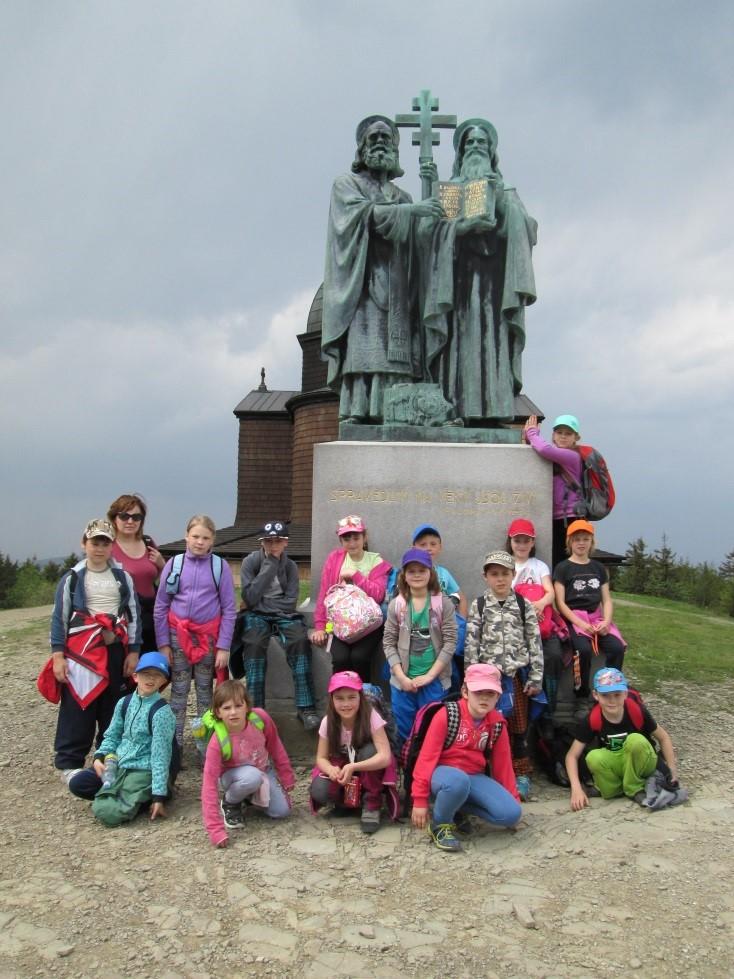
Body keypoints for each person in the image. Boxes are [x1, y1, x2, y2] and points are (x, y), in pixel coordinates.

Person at [321, 115, 443, 424]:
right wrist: (412, 211)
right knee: (367, 348)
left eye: (386, 139)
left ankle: (396, 412)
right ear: (360, 149)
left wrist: (432, 197)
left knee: (396, 357)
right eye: (372, 138)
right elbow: (361, 216)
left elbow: (422, 243)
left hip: (400, 288)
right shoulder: (346, 185)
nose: (379, 143)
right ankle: (359, 411)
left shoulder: (402, 196)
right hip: (364, 283)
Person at [419, 118, 537, 424]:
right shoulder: (450, 191)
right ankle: (453, 410)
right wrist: (461, 225)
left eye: (480, 143)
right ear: (460, 152)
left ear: (491, 151)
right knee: (457, 345)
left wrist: (500, 203)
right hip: (455, 283)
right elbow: (429, 237)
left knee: (491, 344)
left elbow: (527, 228)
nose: (474, 147)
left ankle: (493, 412)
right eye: (468, 143)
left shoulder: (505, 189)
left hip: (494, 284)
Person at [50, 518, 141, 796]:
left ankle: (107, 757)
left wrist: (134, 651)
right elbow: (60, 618)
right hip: (81, 654)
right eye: (94, 542)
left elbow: (132, 615)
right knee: (78, 705)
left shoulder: (122, 578)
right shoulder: (73, 578)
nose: (99, 548)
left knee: (112, 705)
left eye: (104, 543)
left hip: (114, 650)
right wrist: (58, 655)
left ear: (111, 546)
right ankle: (70, 764)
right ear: (84, 544)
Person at [410, 663, 521, 852]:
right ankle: (440, 825)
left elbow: (503, 766)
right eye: (478, 692)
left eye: (490, 693)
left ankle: (454, 808)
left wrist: (513, 798)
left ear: (498, 697)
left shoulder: (497, 723)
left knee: (511, 814)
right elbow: (426, 758)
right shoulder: (447, 714)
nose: (484, 698)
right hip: (442, 775)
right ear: (465, 691)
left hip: (473, 776)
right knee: (456, 781)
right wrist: (419, 800)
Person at [464, 550, 544, 800]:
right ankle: (488, 770)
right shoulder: (479, 605)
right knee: (489, 725)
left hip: (516, 676)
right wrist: (471, 679)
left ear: (513, 575)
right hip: (488, 680)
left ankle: (520, 773)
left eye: (505, 574)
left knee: (518, 727)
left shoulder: (523, 605)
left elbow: (535, 641)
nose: (500, 579)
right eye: (494, 574)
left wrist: (536, 677)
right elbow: (471, 643)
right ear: (485, 576)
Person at [154, 515, 237, 746]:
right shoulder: (174, 564)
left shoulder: (220, 567)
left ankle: (206, 746)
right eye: (195, 536)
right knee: (178, 692)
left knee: (205, 695)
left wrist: (223, 647)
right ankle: (174, 745)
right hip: (177, 636)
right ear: (186, 536)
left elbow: (229, 609)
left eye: (205, 538)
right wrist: (163, 645)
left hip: (207, 640)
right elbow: (161, 605)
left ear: (213, 541)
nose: (199, 542)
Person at [237, 520, 319, 731]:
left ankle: (306, 707)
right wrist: (269, 565)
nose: (273, 546)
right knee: (254, 644)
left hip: (283, 613)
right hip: (257, 615)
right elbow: (249, 596)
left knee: (299, 642)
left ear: (285, 543)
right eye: (268, 541)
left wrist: (262, 604)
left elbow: (291, 600)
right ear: (262, 543)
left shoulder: (290, 566)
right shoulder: (250, 562)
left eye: (278, 541)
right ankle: (256, 710)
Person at [566, 668, 678, 811]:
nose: (612, 701)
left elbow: (664, 738)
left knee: (635, 740)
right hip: (620, 760)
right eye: (605, 695)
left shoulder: (636, 711)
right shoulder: (592, 719)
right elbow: (571, 756)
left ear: (625, 694)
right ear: (596, 695)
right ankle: (615, 789)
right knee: (593, 756)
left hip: (643, 759)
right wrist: (576, 789)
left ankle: (634, 789)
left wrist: (672, 770)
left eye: (617, 695)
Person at [201, 679, 295, 847]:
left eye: (238, 705)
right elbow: (209, 784)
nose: (233, 712)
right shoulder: (217, 741)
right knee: (252, 777)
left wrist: (286, 776)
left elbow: (275, 746)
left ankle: (248, 795)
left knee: (282, 811)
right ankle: (230, 802)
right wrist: (215, 830)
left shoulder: (260, 719)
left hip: (262, 770)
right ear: (218, 712)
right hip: (233, 777)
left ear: (247, 706)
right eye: (226, 708)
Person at [90, 652, 176, 826]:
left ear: (163, 681)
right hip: (119, 764)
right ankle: (126, 795)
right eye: (146, 674)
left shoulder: (162, 713)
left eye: (157, 675)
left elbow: (161, 756)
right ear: (135, 677)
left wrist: (159, 796)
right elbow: (112, 735)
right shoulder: (124, 702)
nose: (150, 679)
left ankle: (154, 791)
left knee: (108, 813)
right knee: (79, 783)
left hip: (143, 769)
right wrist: (99, 757)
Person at [382, 547, 457, 744]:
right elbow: (389, 643)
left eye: (422, 570)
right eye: (411, 571)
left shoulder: (443, 604)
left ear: (430, 573)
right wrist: (401, 676)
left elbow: (450, 642)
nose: (417, 575)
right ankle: (407, 766)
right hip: (402, 681)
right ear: (404, 575)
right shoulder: (396, 605)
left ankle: (428, 766)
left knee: (432, 727)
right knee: (405, 728)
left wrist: (430, 676)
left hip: (434, 680)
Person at [309, 670, 398, 834]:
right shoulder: (328, 721)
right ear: (332, 700)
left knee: (370, 751)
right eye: (339, 698)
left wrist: (353, 767)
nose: (346, 704)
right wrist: (331, 770)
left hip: (367, 765)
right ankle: (347, 803)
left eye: (351, 697)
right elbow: (321, 758)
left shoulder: (371, 716)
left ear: (360, 697)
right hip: (342, 764)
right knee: (319, 791)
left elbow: (385, 757)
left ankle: (372, 803)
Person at [312, 515, 391, 683]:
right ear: (341, 540)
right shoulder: (334, 559)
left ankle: (365, 698)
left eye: (356, 537)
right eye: (347, 538)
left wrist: (356, 575)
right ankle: (339, 699)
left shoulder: (376, 561)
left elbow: (378, 595)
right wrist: (320, 626)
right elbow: (324, 593)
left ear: (365, 537)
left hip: (369, 624)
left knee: (359, 657)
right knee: (340, 659)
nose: (352, 543)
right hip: (337, 623)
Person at [553, 519, 626, 697]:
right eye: (577, 539)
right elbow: (560, 603)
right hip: (574, 619)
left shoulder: (598, 568)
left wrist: (607, 622)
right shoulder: (563, 568)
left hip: (597, 618)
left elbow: (606, 600)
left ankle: (609, 689)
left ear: (591, 542)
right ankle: (581, 693)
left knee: (616, 648)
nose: (581, 543)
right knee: (583, 650)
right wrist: (580, 623)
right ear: (570, 542)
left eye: (585, 539)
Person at [506, 519, 564, 721]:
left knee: (554, 655)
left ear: (532, 543)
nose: (521, 545)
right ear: (510, 541)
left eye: (526, 541)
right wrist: (528, 610)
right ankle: (519, 713)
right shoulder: (505, 564)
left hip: (541, 624)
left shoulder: (539, 566)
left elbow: (550, 593)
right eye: (517, 540)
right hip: (516, 626)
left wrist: (538, 605)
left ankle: (548, 711)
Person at [523, 413, 585, 568]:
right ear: (553, 435)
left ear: (576, 438)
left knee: (566, 562)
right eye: (559, 432)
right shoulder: (556, 459)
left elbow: (544, 448)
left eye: (568, 433)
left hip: (570, 517)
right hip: (556, 517)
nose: (563, 436)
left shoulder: (572, 456)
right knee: (557, 562)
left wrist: (531, 433)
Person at [107, 493, 165, 652]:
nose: (130, 521)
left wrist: (162, 564)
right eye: (125, 516)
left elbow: (161, 576)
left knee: (151, 669)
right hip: (125, 618)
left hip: (152, 616)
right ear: (114, 518)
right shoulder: (108, 547)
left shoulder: (148, 543)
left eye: (136, 517)